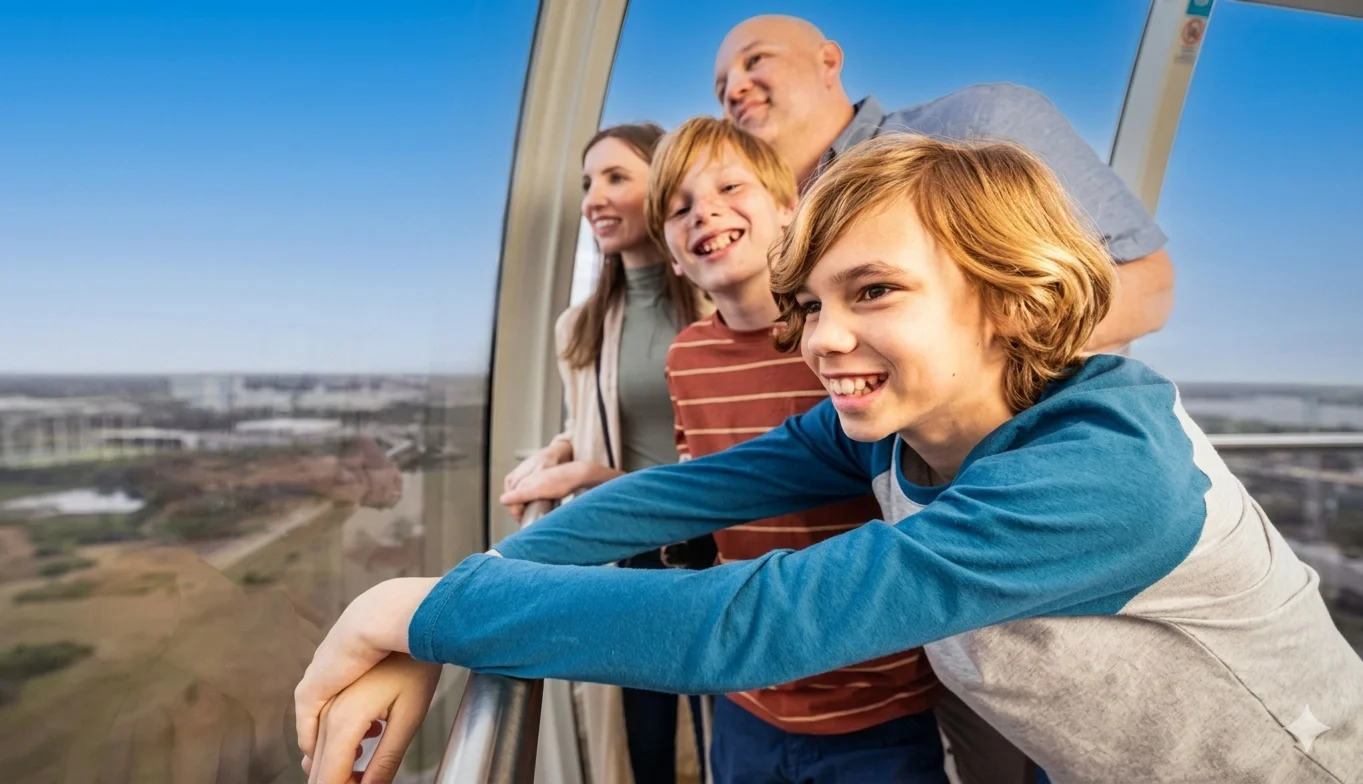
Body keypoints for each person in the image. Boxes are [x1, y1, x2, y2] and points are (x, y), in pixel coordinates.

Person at [295, 135, 1363, 783]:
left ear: (1011, 301)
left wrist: (400, 608)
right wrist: (463, 596)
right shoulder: (897, 421)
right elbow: (673, 494)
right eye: (813, 301)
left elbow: (743, 623)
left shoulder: (1100, 474)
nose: (820, 339)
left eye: (874, 291)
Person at [651, 116, 946, 782]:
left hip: (874, 695)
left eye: (730, 186)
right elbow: (699, 481)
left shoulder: (844, 346)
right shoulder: (686, 357)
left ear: (790, 212)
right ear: (670, 253)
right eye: (679, 208)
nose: (707, 213)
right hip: (747, 687)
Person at [713, 15, 1173, 358]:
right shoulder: (768, 224)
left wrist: (969, 362)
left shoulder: (978, 124)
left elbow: (1149, 287)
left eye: (755, 60)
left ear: (828, 62)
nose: (734, 89)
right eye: (720, 87)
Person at [495, 121, 712, 784]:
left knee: (719, 742)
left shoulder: (720, 303)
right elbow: (593, 419)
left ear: (666, 185)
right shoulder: (580, 325)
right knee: (643, 745)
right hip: (631, 559)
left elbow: (744, 447)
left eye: (617, 177)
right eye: (588, 182)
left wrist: (599, 476)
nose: (593, 197)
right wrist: (555, 456)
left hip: (713, 553)